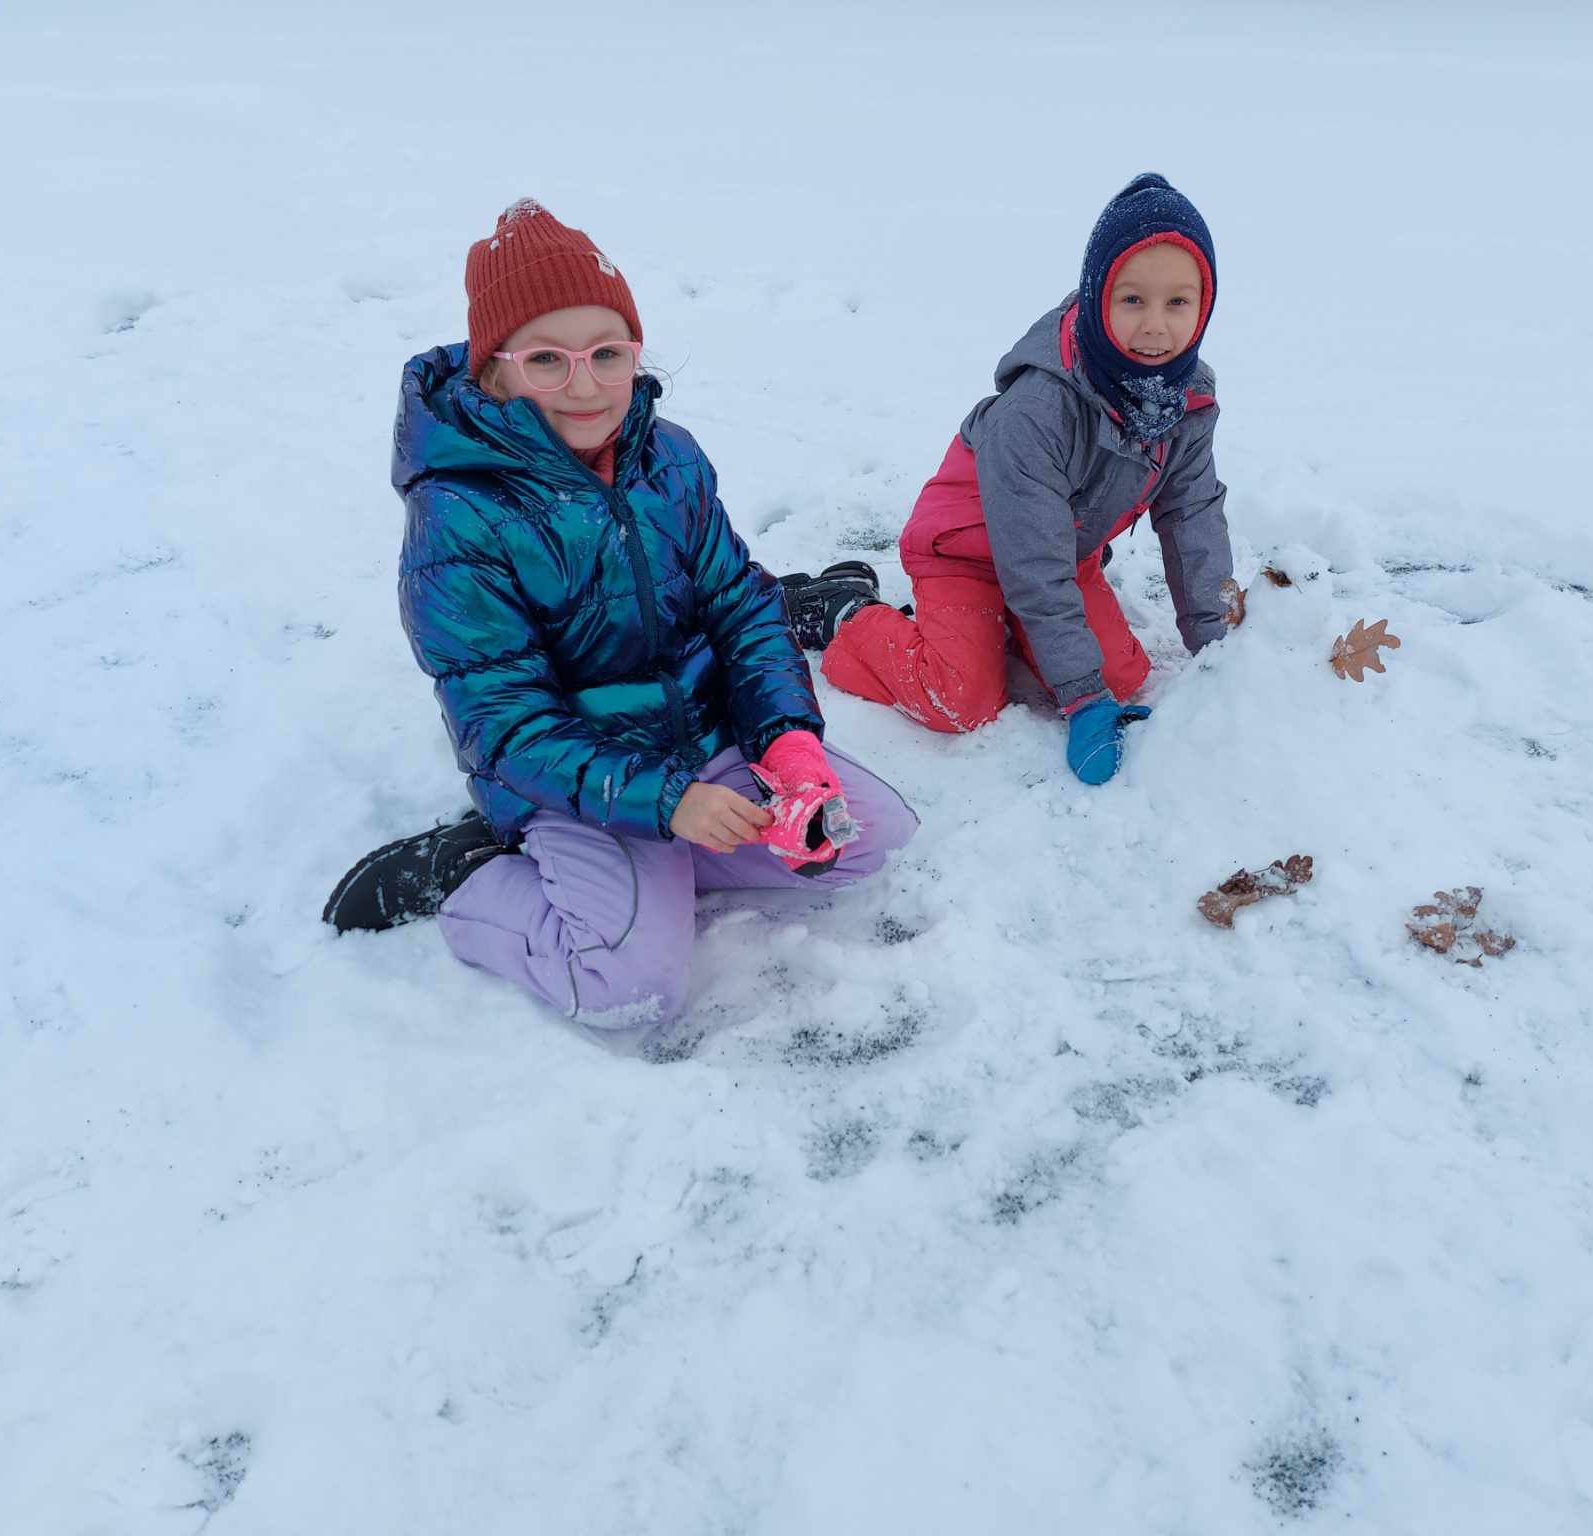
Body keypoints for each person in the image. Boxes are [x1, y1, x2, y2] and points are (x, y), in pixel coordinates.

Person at [323, 200, 915, 1026]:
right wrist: (665, 803)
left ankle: (651, 881)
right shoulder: (459, 517)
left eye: (609, 354)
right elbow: (503, 723)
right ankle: (473, 873)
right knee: (631, 989)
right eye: (547, 360)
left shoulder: (667, 456)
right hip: (575, 778)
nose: (586, 384)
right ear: (495, 371)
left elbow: (740, 604)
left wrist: (787, 742)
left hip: (700, 742)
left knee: (863, 840)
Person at [781, 174, 1241, 785]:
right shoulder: (1037, 409)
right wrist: (1080, 696)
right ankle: (844, 611)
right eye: (1133, 300)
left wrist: (1223, 652)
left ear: (1204, 304)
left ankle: (1005, 633)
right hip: (966, 552)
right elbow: (1031, 562)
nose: (1156, 326)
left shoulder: (1189, 401)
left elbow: (1192, 518)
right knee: (961, 700)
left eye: (1177, 303)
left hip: (1061, 551)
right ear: (1097, 296)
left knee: (1124, 676)